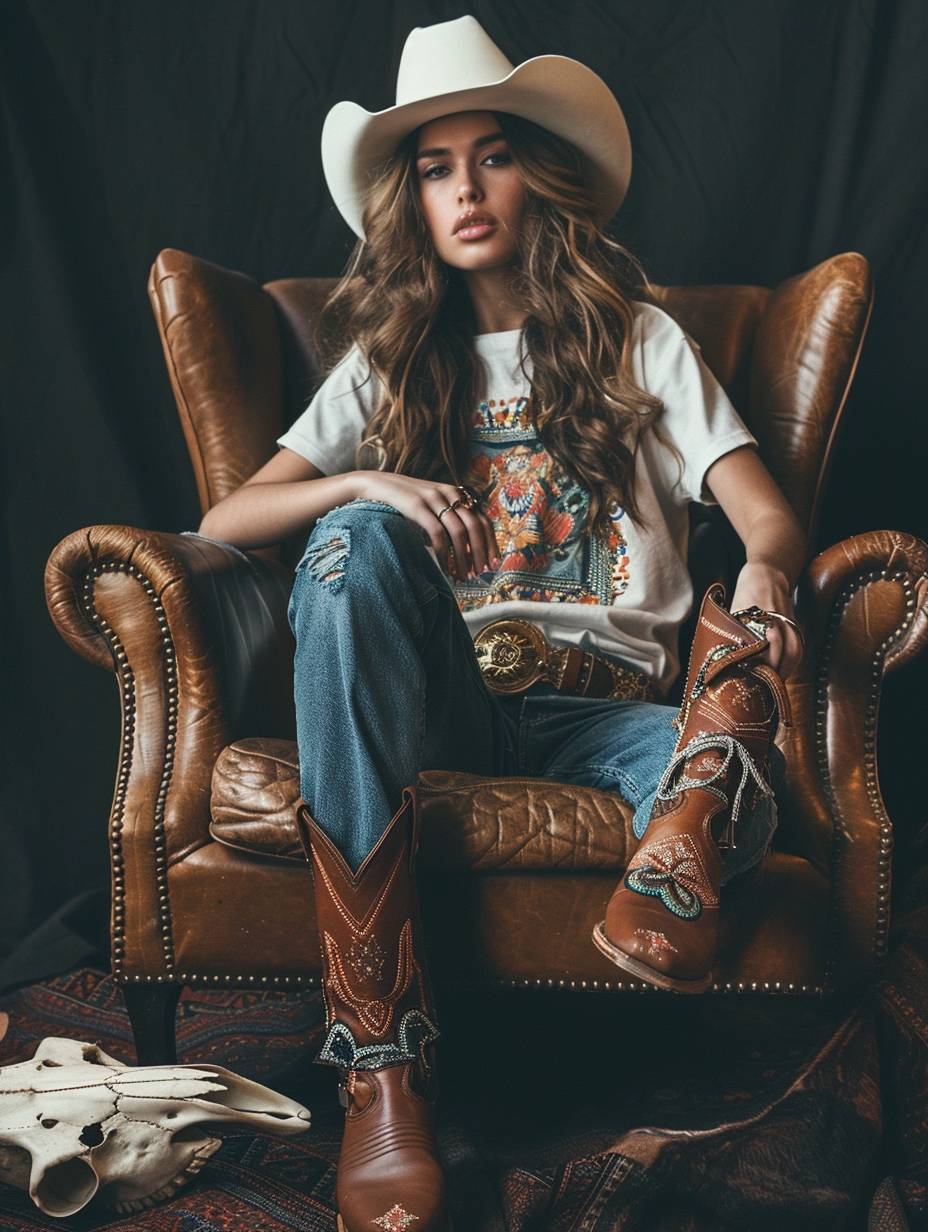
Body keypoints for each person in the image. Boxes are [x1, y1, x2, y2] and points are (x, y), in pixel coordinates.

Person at [198, 15, 806, 1232]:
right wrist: (366, 481)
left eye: (491, 156)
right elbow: (225, 518)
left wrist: (768, 585)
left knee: (726, 743)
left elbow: (767, 520)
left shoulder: (641, 340)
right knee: (345, 545)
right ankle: (381, 1064)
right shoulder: (387, 358)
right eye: (433, 167)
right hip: (445, 699)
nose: (465, 189)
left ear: (541, 175)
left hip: (610, 713)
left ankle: (682, 845)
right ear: (409, 200)